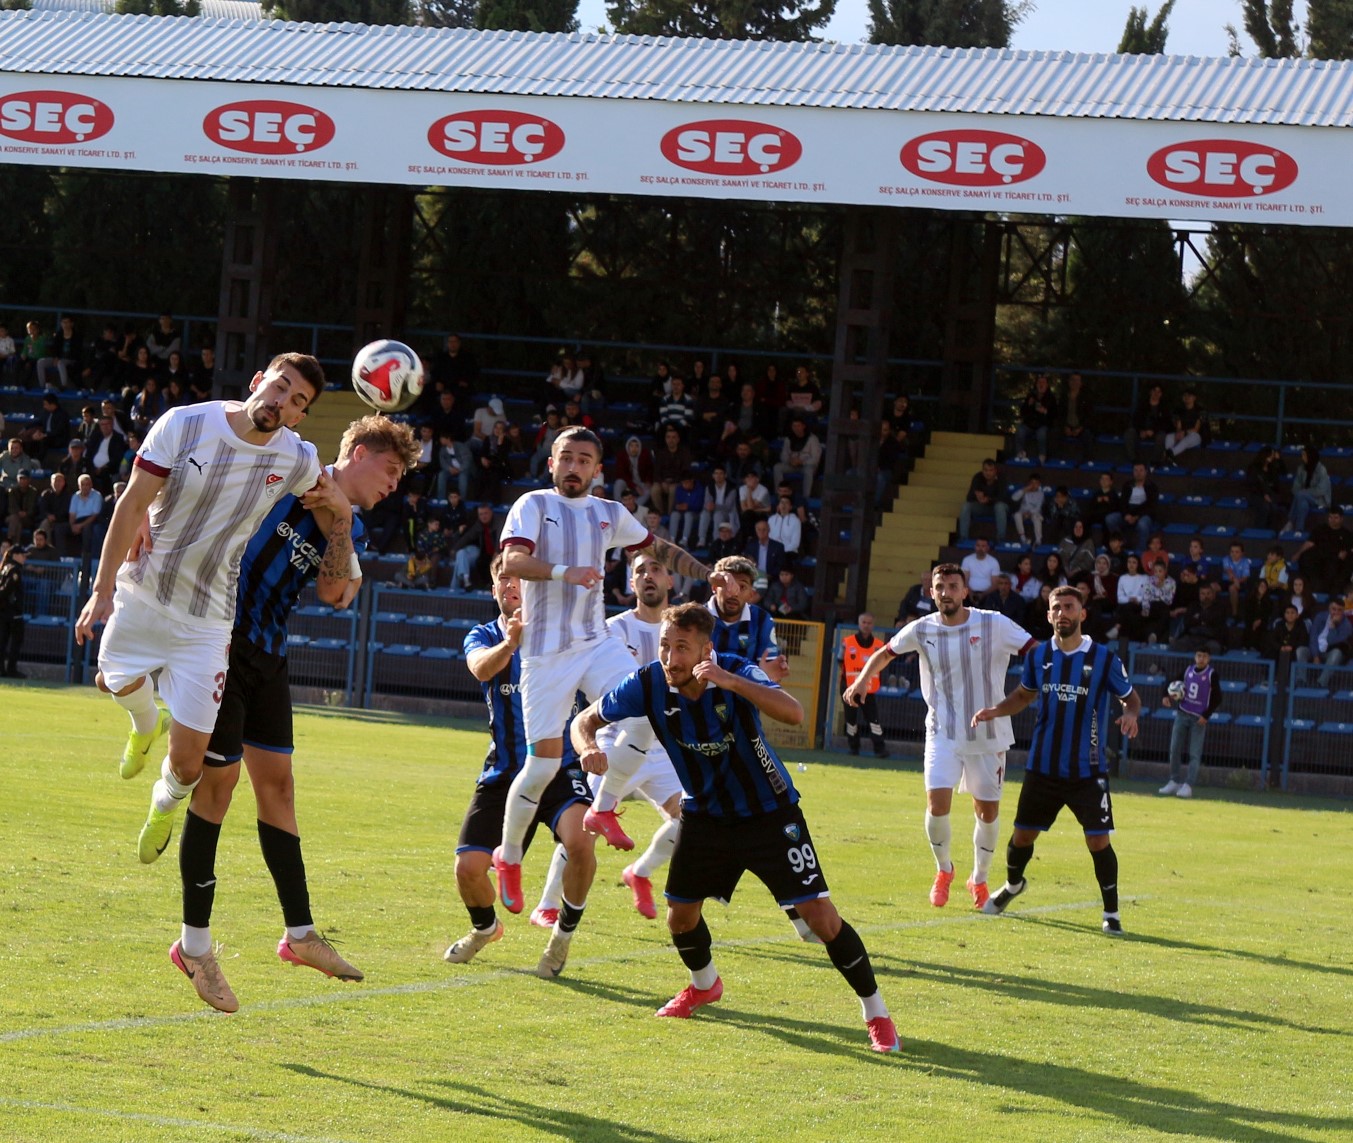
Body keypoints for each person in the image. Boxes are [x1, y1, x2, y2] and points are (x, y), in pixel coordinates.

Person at [166, 415, 418, 1012]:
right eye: (389, 470)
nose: (394, 485)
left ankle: (300, 935)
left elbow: (337, 594)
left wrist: (344, 522)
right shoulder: (292, 473)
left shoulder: (339, 519)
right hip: (222, 643)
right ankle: (194, 946)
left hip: (269, 656)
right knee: (217, 789)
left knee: (277, 790)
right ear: (355, 452)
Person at [571, 602, 901, 1053]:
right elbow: (583, 721)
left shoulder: (736, 670)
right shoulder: (647, 682)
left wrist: (733, 683)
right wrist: (588, 747)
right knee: (680, 916)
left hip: (771, 813)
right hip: (706, 817)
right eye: (666, 646)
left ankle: (877, 1013)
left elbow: (793, 714)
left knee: (821, 919)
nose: (670, 658)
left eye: (682, 649)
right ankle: (704, 985)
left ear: (706, 649)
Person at [73, 353, 325, 869]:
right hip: (144, 592)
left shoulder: (297, 459)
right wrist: (100, 590)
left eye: (297, 400)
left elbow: (331, 495)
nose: (282, 402)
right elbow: (131, 503)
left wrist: (341, 512)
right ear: (258, 381)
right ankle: (145, 725)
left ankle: (161, 806)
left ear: (300, 416)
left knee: (188, 768)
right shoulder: (185, 423)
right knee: (110, 679)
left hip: (208, 623)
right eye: (280, 386)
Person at [493, 427, 726, 915]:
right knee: (539, 768)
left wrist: (707, 574)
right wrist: (565, 572)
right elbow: (513, 561)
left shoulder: (608, 513)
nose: (574, 467)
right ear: (552, 462)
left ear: (597, 470)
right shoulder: (532, 505)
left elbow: (657, 547)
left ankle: (602, 809)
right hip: (545, 653)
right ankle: (510, 857)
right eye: (566, 458)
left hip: (596, 643)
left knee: (649, 707)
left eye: (584, 460)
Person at [444, 555, 600, 978]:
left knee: (582, 842)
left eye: (518, 579)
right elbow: (480, 668)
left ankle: (562, 938)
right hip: (505, 770)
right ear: (494, 589)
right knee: (468, 869)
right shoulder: (484, 635)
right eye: (503, 579)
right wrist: (511, 643)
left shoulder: (564, 635)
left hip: (560, 768)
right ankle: (485, 929)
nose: (512, 585)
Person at [846, 564, 1035, 909]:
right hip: (942, 732)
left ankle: (978, 878)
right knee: (936, 805)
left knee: (988, 813)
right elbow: (885, 653)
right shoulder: (922, 628)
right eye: (939, 587)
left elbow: (1035, 651)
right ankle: (944, 870)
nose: (945, 592)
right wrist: (861, 681)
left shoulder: (993, 623)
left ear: (965, 592)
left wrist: (1031, 690)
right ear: (931, 593)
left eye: (952, 586)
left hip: (988, 735)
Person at [971, 585, 1141, 935]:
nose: (1062, 613)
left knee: (1098, 840)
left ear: (1082, 613)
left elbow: (1131, 698)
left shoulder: (1104, 658)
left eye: (1069, 607)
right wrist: (995, 710)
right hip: (1043, 768)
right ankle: (1014, 885)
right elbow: (1022, 695)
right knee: (1022, 837)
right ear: (1048, 615)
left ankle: (1111, 913)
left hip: (1087, 769)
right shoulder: (1038, 656)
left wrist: (1131, 715)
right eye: (1056, 608)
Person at [533, 551, 686, 925]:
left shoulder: (686, 630)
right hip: (616, 742)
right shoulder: (612, 630)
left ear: (670, 581)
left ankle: (641, 873)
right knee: (586, 826)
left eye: (656, 569)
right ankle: (548, 905)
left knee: (692, 819)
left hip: (663, 749)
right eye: (640, 572)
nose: (648, 576)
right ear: (630, 584)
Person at [1158, 649, 1221, 799]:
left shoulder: (1212, 675)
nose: (1201, 658)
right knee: (1175, 748)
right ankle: (1173, 780)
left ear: (1209, 658)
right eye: (1199, 655)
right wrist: (1165, 695)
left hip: (1198, 719)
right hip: (1182, 714)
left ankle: (1188, 785)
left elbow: (1218, 697)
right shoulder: (1187, 670)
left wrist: (1206, 715)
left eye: (1204, 656)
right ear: (1195, 656)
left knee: (1194, 753)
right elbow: (1172, 681)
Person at [838, 613, 889, 758]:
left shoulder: (879, 645)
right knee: (851, 720)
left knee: (874, 720)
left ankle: (880, 750)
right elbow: (840, 661)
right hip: (848, 688)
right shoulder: (847, 642)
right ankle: (853, 748)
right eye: (864, 622)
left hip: (869, 690)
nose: (866, 625)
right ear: (859, 623)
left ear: (873, 625)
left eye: (869, 623)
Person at [1105, 463, 1160, 553]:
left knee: (1142, 525)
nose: (1138, 473)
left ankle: (1141, 552)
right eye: (1136, 470)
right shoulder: (1127, 485)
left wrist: (1136, 516)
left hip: (1144, 514)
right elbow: (1122, 503)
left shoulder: (1152, 487)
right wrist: (1126, 515)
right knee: (1110, 519)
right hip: (1128, 513)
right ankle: (1120, 542)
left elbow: (1151, 506)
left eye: (1141, 470)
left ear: (1146, 472)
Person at [958, 459, 1009, 541]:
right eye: (985, 470)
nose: (988, 473)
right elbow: (969, 497)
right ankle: (963, 538)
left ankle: (1001, 539)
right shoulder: (977, 477)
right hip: (982, 507)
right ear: (982, 470)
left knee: (999, 506)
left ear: (995, 471)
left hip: (999, 507)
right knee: (966, 506)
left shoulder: (1002, 478)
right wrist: (977, 496)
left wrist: (988, 499)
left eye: (990, 470)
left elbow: (1003, 497)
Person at [1307, 598, 1352, 688]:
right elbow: (1313, 637)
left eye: (1339, 610)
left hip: (1329, 653)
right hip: (1315, 649)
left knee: (1336, 653)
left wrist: (1333, 627)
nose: (1336, 612)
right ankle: (1301, 680)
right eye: (1333, 609)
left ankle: (1321, 683)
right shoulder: (1320, 617)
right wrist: (1315, 655)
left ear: (1343, 611)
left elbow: (1331, 642)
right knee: (1301, 650)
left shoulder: (1347, 626)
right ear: (1329, 608)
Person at [1284, 447, 1331, 535]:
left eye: (1304, 455)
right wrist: (1302, 493)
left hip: (1319, 500)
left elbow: (1321, 490)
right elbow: (1295, 488)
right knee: (1303, 504)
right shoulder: (1301, 468)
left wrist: (1305, 492)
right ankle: (1299, 530)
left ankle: (1290, 521)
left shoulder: (1321, 470)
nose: (1302, 458)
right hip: (1303, 498)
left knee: (1301, 494)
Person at [1013, 374, 1057, 463]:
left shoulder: (1051, 397)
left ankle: (1042, 455)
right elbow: (1023, 412)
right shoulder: (1031, 396)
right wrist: (1028, 405)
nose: (1041, 384)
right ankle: (1020, 453)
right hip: (1030, 424)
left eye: (1043, 382)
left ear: (1047, 385)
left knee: (1042, 434)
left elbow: (1055, 414)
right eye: (1039, 382)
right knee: (1020, 430)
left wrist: (1045, 412)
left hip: (1043, 424)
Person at [0, 542, 27, 678]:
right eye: (22, 555)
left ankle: (3, 669)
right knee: (15, 642)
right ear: (15, 555)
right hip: (13, 613)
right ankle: (11, 669)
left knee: (3, 641)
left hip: (4, 613)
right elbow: (7, 590)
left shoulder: (5, 567)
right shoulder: (14, 570)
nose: (24, 558)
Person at [1163, 388, 1208, 460]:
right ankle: (1170, 458)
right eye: (1185, 395)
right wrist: (1179, 432)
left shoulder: (1201, 411)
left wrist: (1185, 432)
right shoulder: (1179, 410)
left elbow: (1196, 429)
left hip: (1195, 435)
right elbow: (1178, 426)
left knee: (1188, 439)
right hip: (1182, 433)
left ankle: (1169, 454)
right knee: (1169, 437)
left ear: (1194, 398)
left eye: (1189, 395)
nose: (1187, 397)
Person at [1011, 473, 1045, 547]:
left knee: (1037, 518)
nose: (1033, 485)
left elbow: (1038, 507)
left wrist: (1030, 513)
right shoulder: (1025, 491)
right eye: (1032, 483)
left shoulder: (1041, 494)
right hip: (1023, 512)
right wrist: (1024, 490)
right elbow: (1014, 498)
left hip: (1034, 513)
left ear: (1039, 484)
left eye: (1036, 483)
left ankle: (1038, 540)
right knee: (1017, 515)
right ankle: (1023, 538)